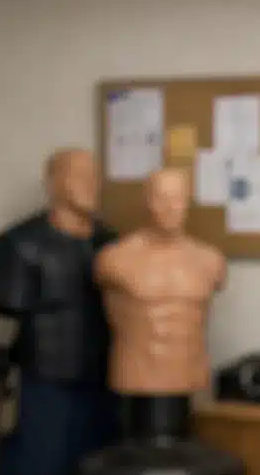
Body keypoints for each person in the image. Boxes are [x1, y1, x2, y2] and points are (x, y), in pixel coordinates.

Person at [0, 147, 120, 475]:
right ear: (53, 183)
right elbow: (3, 299)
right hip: (43, 363)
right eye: (79, 176)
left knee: (96, 442)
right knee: (41, 444)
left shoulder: (111, 244)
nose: (92, 185)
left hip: (102, 362)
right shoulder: (19, 244)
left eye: (95, 176)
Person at [93, 166, 226, 439]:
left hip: (189, 371)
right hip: (137, 374)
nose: (169, 207)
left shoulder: (210, 260)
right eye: (161, 198)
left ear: (188, 202)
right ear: (147, 202)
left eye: (177, 198)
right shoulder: (115, 259)